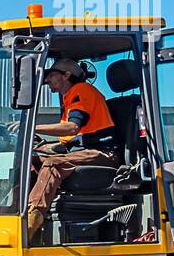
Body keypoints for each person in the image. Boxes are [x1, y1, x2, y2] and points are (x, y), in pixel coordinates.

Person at [24, 57, 118, 239]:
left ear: (66, 75)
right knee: (34, 162)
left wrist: (32, 128)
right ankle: (15, 210)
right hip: (82, 152)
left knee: (53, 164)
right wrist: (44, 147)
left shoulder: (82, 90)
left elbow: (72, 127)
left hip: (102, 153)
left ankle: (30, 222)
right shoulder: (68, 98)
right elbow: (70, 139)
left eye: (51, 75)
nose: (46, 80)